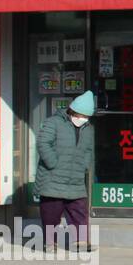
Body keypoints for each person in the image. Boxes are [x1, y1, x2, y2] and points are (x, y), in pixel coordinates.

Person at [37, 91, 96, 251]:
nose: (83, 118)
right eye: (81, 114)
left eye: (87, 116)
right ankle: (50, 243)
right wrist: (52, 163)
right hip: (52, 177)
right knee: (51, 212)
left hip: (75, 178)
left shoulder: (88, 129)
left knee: (79, 211)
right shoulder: (53, 122)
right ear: (73, 111)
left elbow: (89, 150)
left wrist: (84, 166)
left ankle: (81, 242)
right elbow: (43, 143)